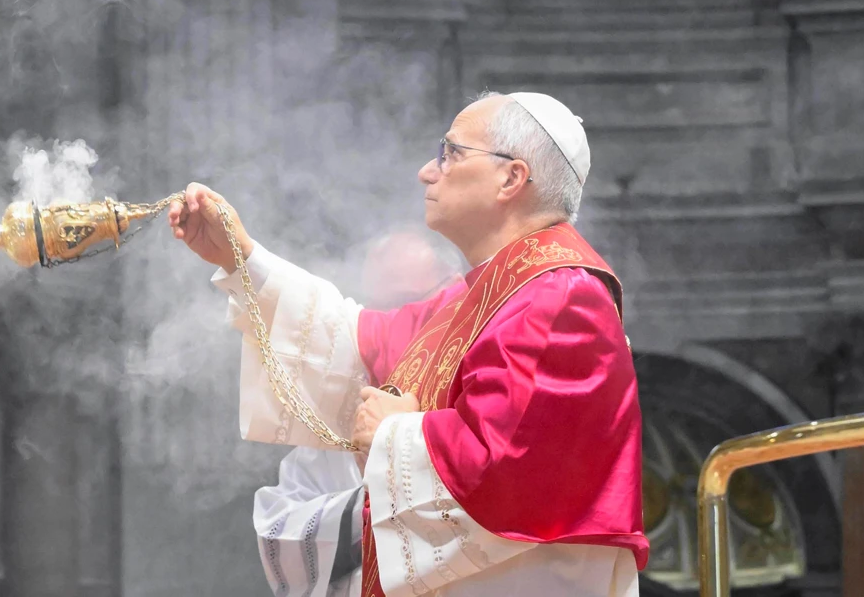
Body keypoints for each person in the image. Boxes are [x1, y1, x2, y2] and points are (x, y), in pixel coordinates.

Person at [172, 92, 646, 597]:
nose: (427, 171)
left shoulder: (560, 294)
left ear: (511, 178)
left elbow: (508, 473)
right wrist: (242, 257)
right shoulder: (481, 293)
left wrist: (396, 432)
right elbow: (356, 343)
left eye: (451, 153)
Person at [253, 232, 467, 597]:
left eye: (407, 304)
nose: (392, 324)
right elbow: (277, 532)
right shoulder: (347, 403)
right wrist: (366, 506)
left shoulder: (472, 384)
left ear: (456, 292)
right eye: (378, 310)